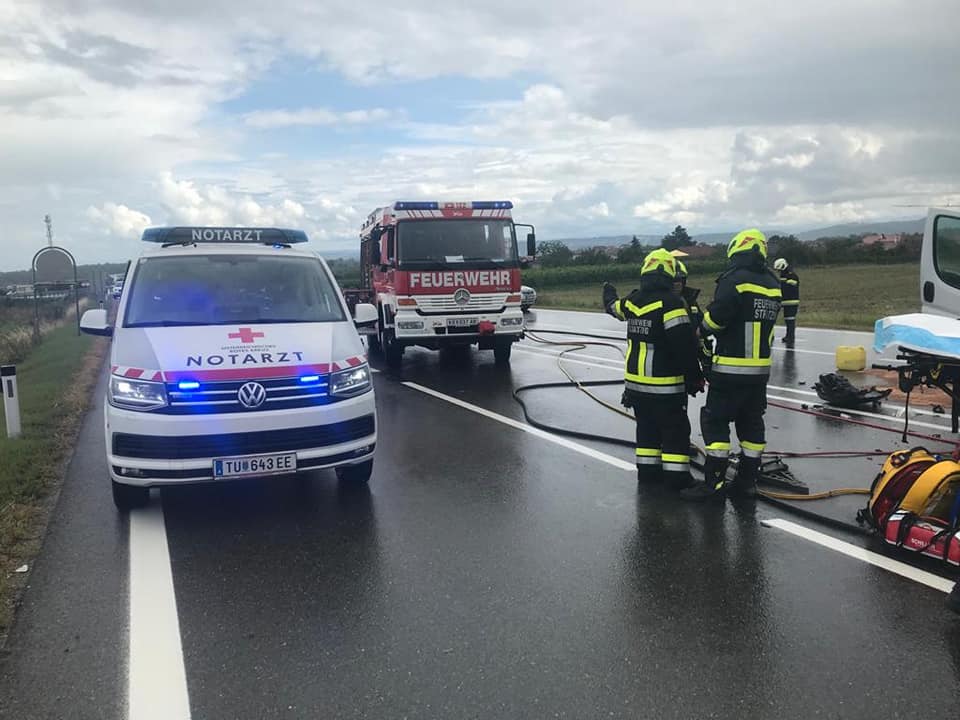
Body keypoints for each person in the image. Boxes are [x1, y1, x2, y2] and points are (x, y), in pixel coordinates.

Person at [682, 229, 782, 502]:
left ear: (738, 250)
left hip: (730, 369)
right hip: (759, 371)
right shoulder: (773, 284)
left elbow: (717, 320)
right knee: (751, 425)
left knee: (715, 423)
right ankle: (747, 482)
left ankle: (713, 484)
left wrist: (698, 330)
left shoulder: (734, 280)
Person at [602, 249, 705, 490]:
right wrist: (695, 378)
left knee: (646, 430)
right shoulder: (672, 304)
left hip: (636, 386)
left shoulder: (633, 301)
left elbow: (613, 307)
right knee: (675, 432)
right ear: (669, 274)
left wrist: (609, 294)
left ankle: (648, 474)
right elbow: (684, 346)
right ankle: (678, 479)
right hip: (666, 386)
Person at [672, 258, 714, 375]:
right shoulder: (661, 304)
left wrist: (706, 360)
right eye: (674, 280)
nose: (678, 283)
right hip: (669, 364)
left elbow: (701, 331)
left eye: (681, 279)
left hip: (690, 361)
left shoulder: (690, 302)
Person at [773, 257, 800, 348]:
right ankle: (788, 336)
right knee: (787, 320)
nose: (779, 272)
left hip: (791, 302)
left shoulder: (792, 275)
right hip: (784, 301)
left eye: (779, 269)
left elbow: (788, 288)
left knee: (790, 320)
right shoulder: (784, 275)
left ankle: (790, 337)